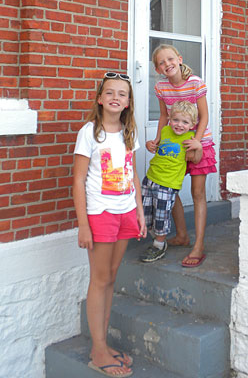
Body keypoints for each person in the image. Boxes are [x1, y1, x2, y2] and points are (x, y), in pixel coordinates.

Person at [73, 72, 147, 378]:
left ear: (129, 102)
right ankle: (98, 350)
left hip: (126, 210)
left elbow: (132, 176)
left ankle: (100, 345)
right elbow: (77, 180)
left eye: (123, 94)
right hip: (100, 214)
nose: (116, 97)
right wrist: (83, 225)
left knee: (112, 277)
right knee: (99, 279)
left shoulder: (129, 133)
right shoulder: (90, 132)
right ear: (100, 99)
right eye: (110, 93)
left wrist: (140, 212)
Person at [146, 44, 217, 268]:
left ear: (179, 58)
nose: (167, 64)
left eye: (170, 59)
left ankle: (198, 246)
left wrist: (196, 141)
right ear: (157, 69)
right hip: (173, 146)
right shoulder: (161, 88)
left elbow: (204, 115)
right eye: (161, 62)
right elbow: (164, 117)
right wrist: (158, 140)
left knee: (197, 193)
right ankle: (182, 236)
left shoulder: (195, 83)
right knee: (169, 187)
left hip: (197, 144)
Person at [140, 101, 202, 263]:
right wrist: (149, 144)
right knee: (145, 213)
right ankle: (156, 237)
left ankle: (159, 245)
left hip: (168, 184)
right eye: (176, 120)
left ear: (192, 124)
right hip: (151, 178)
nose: (179, 125)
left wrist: (199, 147)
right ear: (169, 118)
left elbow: (195, 160)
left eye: (185, 122)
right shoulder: (166, 130)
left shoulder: (190, 138)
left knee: (161, 215)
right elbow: (157, 146)